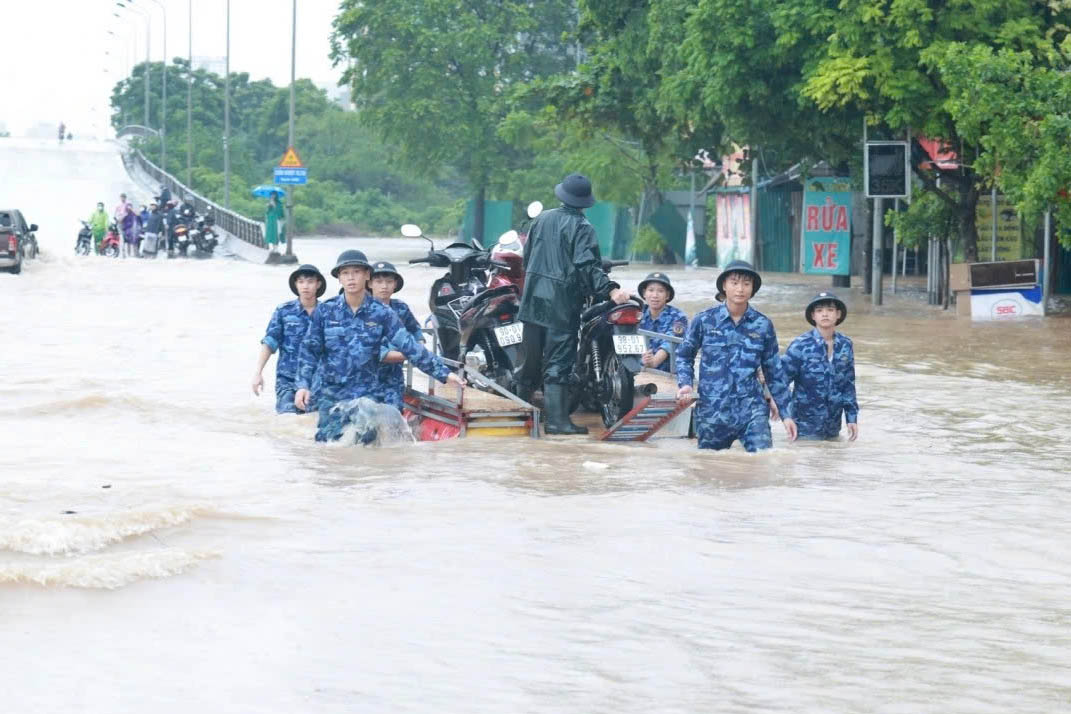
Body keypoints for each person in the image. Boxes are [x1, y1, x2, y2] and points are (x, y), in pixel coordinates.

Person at [294, 250, 465, 441]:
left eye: (356, 272)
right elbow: (309, 350)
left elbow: (410, 346)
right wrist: (302, 385)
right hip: (333, 397)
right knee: (329, 451)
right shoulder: (325, 311)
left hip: (368, 398)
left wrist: (444, 373)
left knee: (366, 451)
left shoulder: (382, 313)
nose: (351, 278)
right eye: (345, 273)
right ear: (339, 278)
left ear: (367, 275)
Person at [517, 173, 630, 435]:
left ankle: (522, 414)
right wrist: (610, 289)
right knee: (558, 361)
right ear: (585, 202)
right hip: (561, 304)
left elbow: (528, 256)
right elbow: (586, 266)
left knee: (530, 359)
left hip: (533, 299)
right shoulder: (583, 227)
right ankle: (557, 422)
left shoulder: (542, 218)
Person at [676, 260, 798, 451]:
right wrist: (685, 383)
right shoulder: (705, 320)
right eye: (734, 283)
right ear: (724, 285)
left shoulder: (763, 325)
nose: (740, 289)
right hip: (713, 411)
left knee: (762, 462)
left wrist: (787, 414)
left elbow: (774, 372)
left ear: (753, 289)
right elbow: (684, 356)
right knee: (710, 468)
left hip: (752, 410)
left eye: (746, 284)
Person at [780, 292, 859, 441]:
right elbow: (780, 382)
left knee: (830, 462)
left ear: (838, 314)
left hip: (833, 427)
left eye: (830, 310)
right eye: (819, 310)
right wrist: (786, 415)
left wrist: (852, 418)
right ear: (813, 316)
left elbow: (848, 385)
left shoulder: (845, 345)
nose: (825, 314)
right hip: (803, 428)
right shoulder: (800, 345)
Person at [254, 264, 327, 414]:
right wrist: (258, 372)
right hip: (287, 379)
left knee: (313, 422)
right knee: (287, 420)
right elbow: (270, 342)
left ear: (318, 284)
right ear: (296, 284)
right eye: (301, 282)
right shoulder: (284, 311)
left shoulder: (328, 312)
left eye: (310, 282)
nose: (305, 286)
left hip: (317, 380)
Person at [369, 260, 424, 410]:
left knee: (394, 419)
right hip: (367, 377)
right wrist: (412, 353)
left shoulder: (400, 308)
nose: (384, 286)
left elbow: (415, 329)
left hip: (394, 376)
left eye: (389, 281)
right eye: (379, 281)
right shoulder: (362, 310)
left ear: (395, 284)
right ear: (369, 284)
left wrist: (419, 343)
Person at [638, 272, 688, 373]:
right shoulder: (637, 313)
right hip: (640, 367)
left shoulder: (678, 317)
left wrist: (654, 361)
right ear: (644, 293)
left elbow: (669, 343)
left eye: (660, 291)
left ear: (667, 295)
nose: (655, 295)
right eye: (650, 290)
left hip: (669, 373)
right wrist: (641, 360)